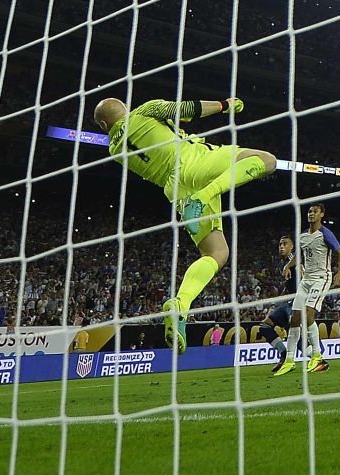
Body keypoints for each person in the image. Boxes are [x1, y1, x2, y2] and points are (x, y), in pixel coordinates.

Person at [93, 96, 276, 352]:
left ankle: (180, 305)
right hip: (193, 161)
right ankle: (204, 196)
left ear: (104, 125)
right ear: (125, 107)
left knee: (216, 253)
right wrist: (224, 105)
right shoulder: (144, 111)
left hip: (175, 189)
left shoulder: (114, 151)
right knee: (267, 161)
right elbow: (188, 109)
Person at [274, 203, 340, 376]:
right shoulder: (303, 236)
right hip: (306, 280)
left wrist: (339, 273)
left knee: (308, 315)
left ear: (322, 214)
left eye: (315, 211)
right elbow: (300, 257)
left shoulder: (326, 234)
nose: (311, 214)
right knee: (295, 319)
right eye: (309, 211)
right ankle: (289, 360)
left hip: (321, 278)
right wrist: (287, 267)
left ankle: (317, 357)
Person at [259, 235, 298, 374]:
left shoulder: (294, 260)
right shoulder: (287, 263)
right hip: (289, 303)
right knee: (264, 326)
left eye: (285, 244)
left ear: (292, 246)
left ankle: (317, 358)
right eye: (280, 244)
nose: (281, 246)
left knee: (295, 335)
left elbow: (301, 257)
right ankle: (283, 353)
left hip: (298, 302)